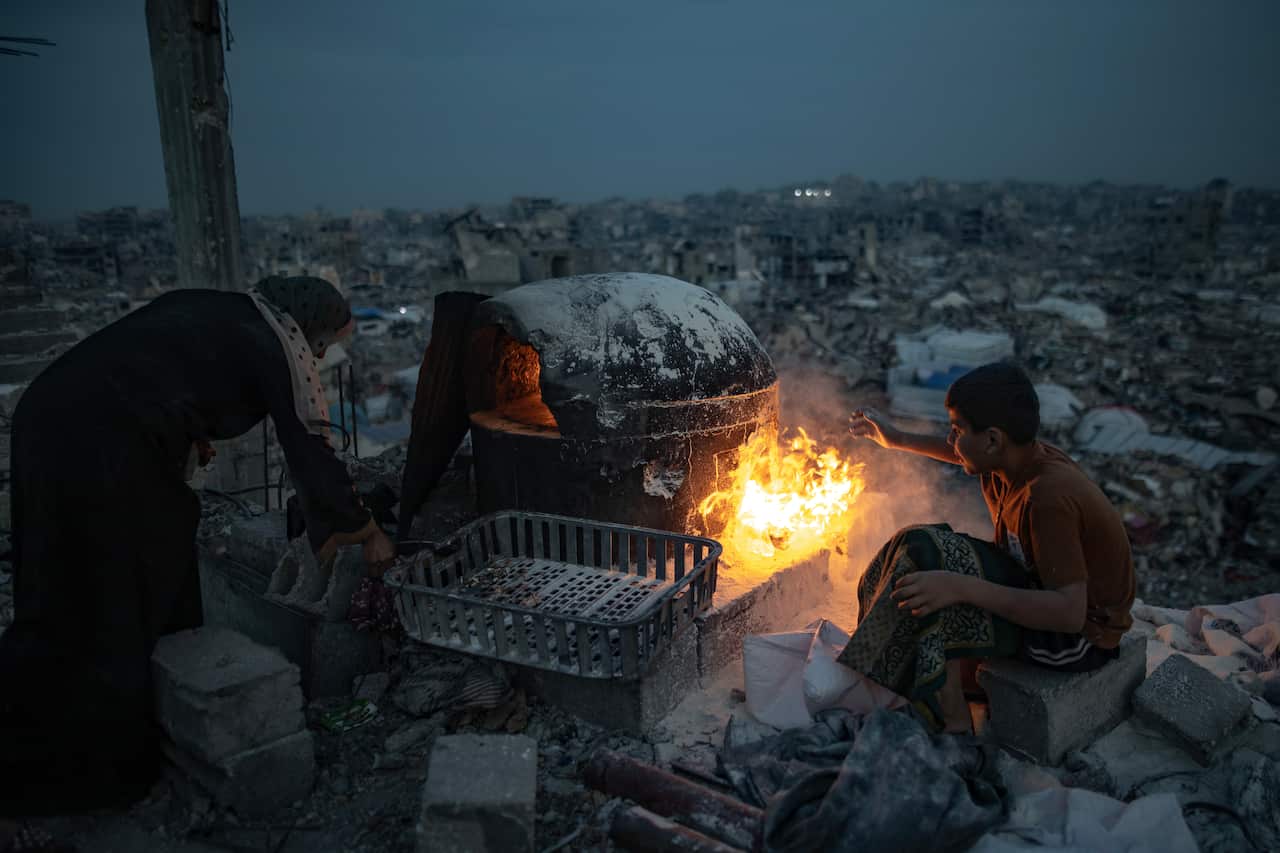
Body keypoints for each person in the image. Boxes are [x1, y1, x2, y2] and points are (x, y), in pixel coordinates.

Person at [0, 276, 396, 822]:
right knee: (118, 588)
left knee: (60, 580)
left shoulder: (228, 312)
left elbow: (162, 375)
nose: (321, 355)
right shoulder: (272, 340)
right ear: (307, 325)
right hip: (98, 446)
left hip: (53, 423)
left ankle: (66, 730)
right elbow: (310, 446)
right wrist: (365, 529)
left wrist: (184, 427)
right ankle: (92, 775)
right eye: (323, 342)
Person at [840, 362, 1135, 733]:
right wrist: (895, 438)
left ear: (993, 440)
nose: (951, 441)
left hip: (1079, 640)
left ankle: (953, 719)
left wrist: (960, 587)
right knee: (917, 547)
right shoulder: (1012, 460)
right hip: (1034, 587)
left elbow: (1069, 613)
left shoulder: (1046, 498)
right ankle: (905, 669)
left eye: (957, 430)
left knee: (933, 570)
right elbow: (960, 452)